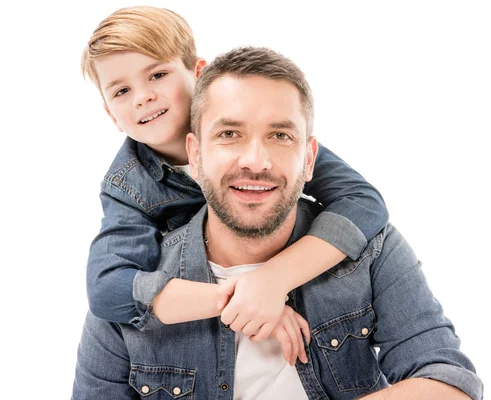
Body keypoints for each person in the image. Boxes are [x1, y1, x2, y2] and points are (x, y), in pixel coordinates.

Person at [73, 46, 483, 400]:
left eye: (280, 136)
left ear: (309, 159)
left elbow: (449, 383)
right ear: (194, 155)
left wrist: (271, 280)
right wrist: (234, 299)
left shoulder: (373, 250)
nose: (255, 161)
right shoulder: (133, 290)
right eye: (230, 134)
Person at [81, 5, 389, 351]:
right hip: (207, 335)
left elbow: (363, 203)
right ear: (112, 115)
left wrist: (274, 279)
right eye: (122, 91)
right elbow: (109, 288)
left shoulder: (262, 129)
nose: (143, 97)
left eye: (157, 75)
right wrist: (238, 297)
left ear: (199, 72)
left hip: (304, 286)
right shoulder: (128, 186)